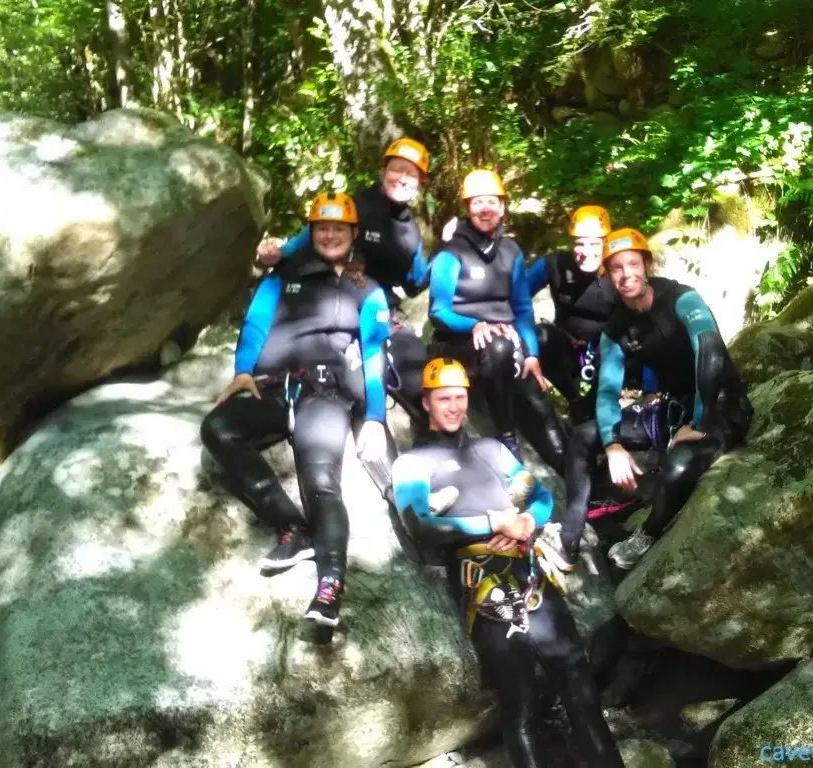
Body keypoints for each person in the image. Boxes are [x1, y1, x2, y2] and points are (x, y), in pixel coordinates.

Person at [392, 358, 625, 768]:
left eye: (460, 398)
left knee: (579, 688)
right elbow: (421, 526)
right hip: (485, 594)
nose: (454, 407)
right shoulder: (412, 465)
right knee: (519, 708)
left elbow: (539, 497)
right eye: (444, 398)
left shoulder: (491, 450)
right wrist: (493, 520)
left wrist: (526, 521)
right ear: (425, 402)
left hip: (532, 580)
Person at [201, 192, 391, 627]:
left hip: (324, 394)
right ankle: (292, 527)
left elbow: (375, 350)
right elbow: (256, 322)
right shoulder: (283, 274)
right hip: (273, 387)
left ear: (353, 233)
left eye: (338, 229)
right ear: (311, 232)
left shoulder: (368, 289)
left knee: (321, 482)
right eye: (321, 228)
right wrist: (243, 370)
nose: (329, 235)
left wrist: (376, 416)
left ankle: (330, 589)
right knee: (218, 429)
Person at [560, 228, 754, 569]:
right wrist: (612, 445)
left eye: (633, 264)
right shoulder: (617, 329)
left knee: (679, 466)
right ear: (607, 275)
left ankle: (648, 533)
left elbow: (709, 351)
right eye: (616, 268)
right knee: (581, 435)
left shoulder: (682, 298)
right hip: (673, 411)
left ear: (646, 264)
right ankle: (570, 535)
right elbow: (606, 390)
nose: (626, 274)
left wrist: (700, 420)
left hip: (718, 404)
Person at [257, 138, 432, 421]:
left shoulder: (412, 232)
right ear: (382, 170)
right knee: (354, 383)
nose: (402, 179)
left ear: (421, 182)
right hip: (334, 302)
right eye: (396, 169)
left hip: (379, 309)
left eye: (411, 174)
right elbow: (309, 237)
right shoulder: (358, 206)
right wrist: (278, 253)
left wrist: (448, 250)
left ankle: (427, 435)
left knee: (416, 374)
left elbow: (415, 282)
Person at [428, 168, 566, 471]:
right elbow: (438, 311)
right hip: (459, 344)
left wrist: (531, 354)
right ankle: (506, 436)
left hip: (506, 346)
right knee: (500, 347)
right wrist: (475, 325)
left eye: (492, 201)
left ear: (503, 207)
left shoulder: (510, 251)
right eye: (477, 202)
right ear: (467, 208)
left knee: (537, 399)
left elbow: (522, 306)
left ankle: (572, 471)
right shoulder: (451, 254)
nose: (485, 208)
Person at [523, 205, 659, 426]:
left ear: (606, 243)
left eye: (594, 243)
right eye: (579, 242)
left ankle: (590, 405)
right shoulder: (554, 265)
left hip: (613, 358)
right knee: (541, 336)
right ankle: (574, 397)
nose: (585, 251)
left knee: (588, 418)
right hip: (570, 352)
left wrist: (650, 391)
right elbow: (517, 296)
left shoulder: (621, 274)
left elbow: (647, 329)